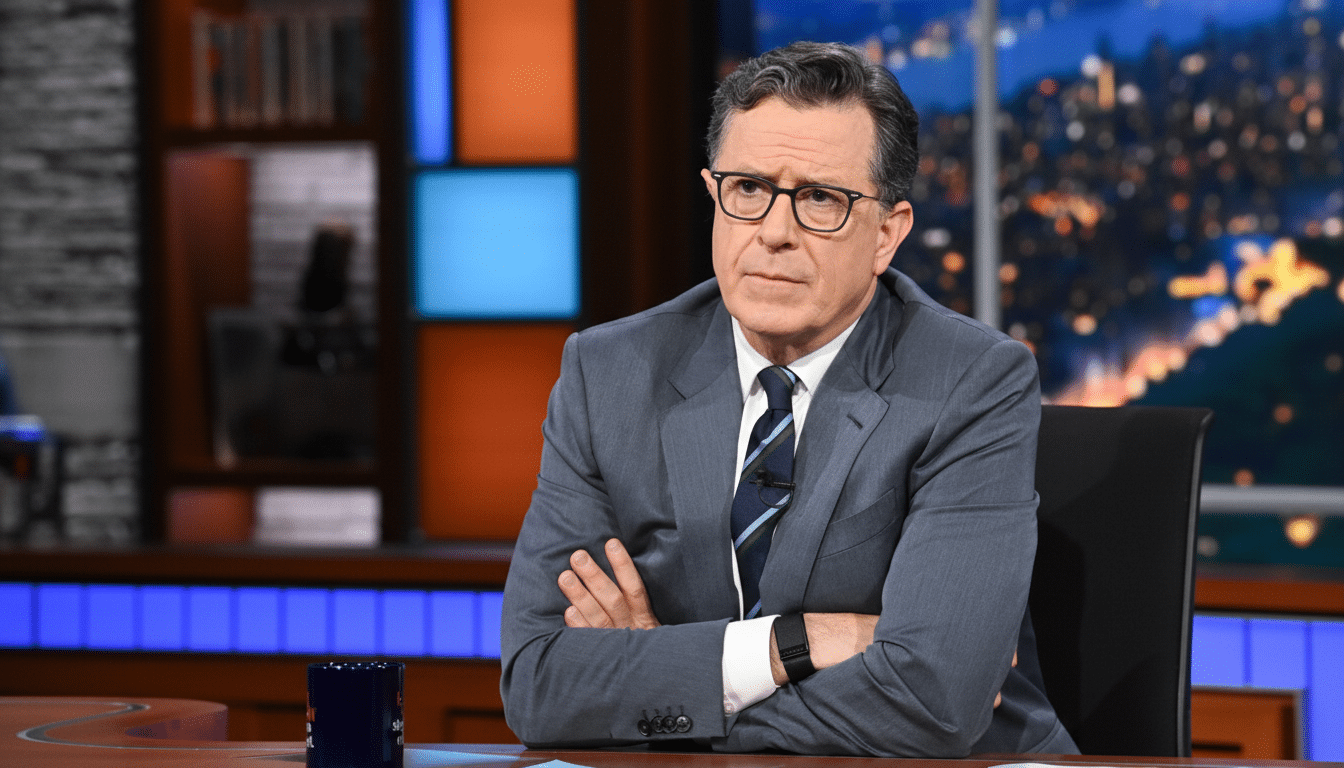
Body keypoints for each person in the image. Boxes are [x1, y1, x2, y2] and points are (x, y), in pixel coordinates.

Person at [499, 41, 1078, 757]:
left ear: (887, 235)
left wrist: (670, 687)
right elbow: (540, 686)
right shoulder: (608, 372)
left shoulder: (970, 380)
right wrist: (797, 643)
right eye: (748, 189)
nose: (773, 232)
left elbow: (936, 701)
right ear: (714, 193)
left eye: (820, 200)